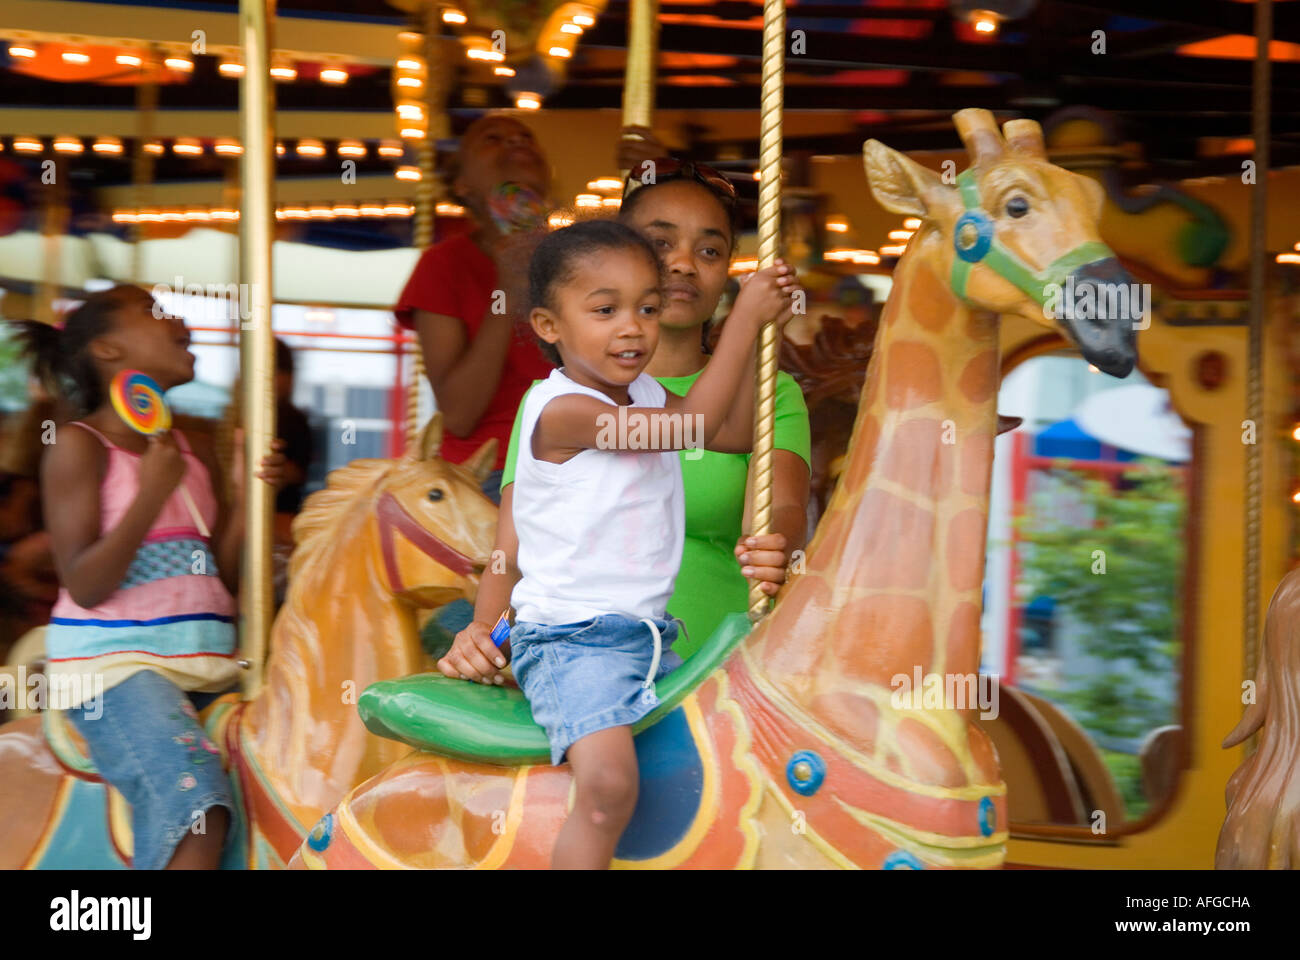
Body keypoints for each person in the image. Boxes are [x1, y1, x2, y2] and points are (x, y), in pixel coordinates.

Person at [440, 220, 798, 868]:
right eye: (605, 310)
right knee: (608, 785)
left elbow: (739, 430)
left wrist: (762, 349)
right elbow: (696, 424)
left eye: (647, 308)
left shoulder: (646, 395)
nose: (631, 326)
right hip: (573, 644)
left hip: (647, 634)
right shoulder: (563, 413)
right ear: (550, 326)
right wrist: (745, 319)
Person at [13, 285, 286, 869]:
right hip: (116, 667)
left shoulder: (191, 450)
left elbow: (223, 575)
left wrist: (252, 498)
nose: (178, 319)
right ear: (109, 350)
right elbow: (86, 583)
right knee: (197, 809)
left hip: (203, 659)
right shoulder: (79, 446)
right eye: (155, 312)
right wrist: (150, 493)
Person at [501, 152, 812, 657]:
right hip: (589, 652)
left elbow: (779, 504)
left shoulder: (766, 395)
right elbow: (513, 552)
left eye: (710, 252)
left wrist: (778, 543)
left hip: (716, 651)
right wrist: (487, 634)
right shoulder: (560, 404)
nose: (683, 263)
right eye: (659, 243)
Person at [394, 112, 555, 505]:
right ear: (463, 184)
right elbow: (461, 413)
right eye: (493, 138)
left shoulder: (580, 258)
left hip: (574, 459)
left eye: (525, 136)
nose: (515, 142)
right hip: (490, 469)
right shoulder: (444, 265)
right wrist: (509, 281)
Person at [272, 337, 313, 515]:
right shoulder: (241, 414)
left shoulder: (294, 419)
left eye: (284, 374)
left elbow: (298, 472)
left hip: (282, 510)